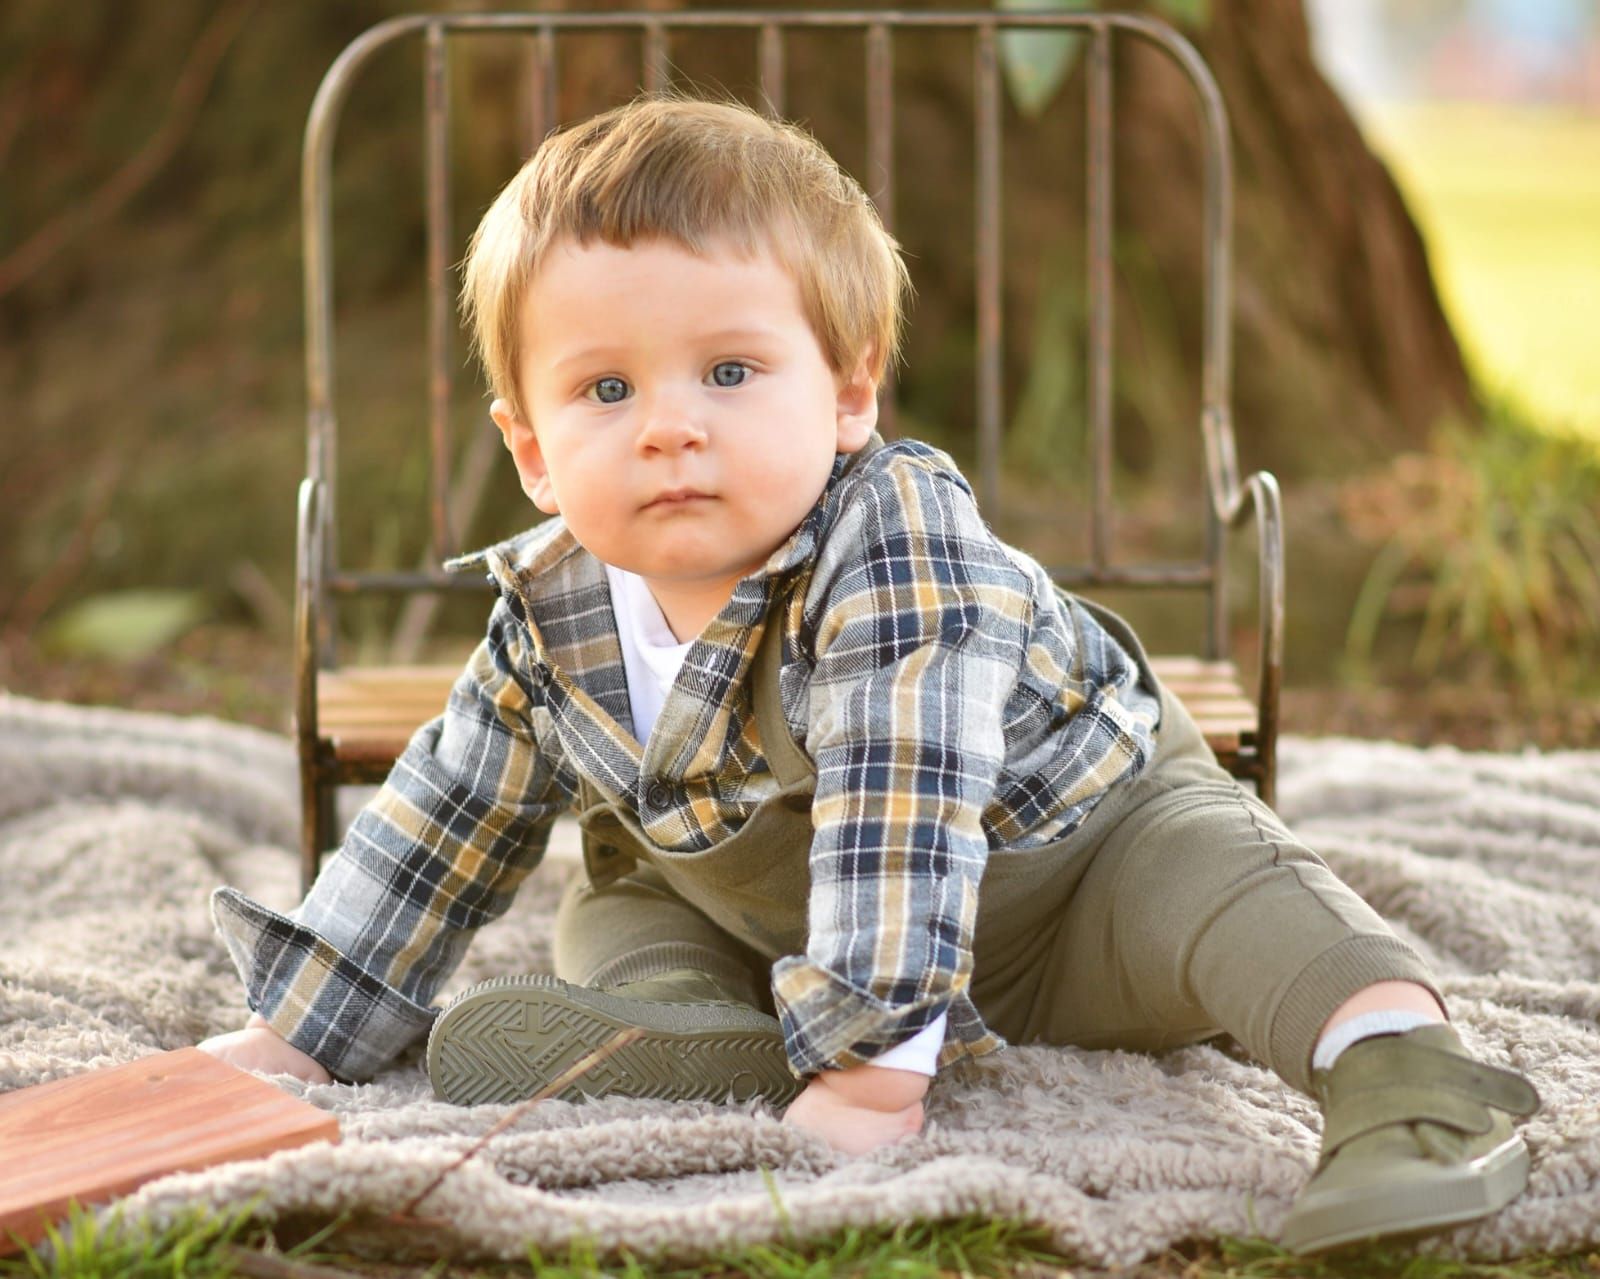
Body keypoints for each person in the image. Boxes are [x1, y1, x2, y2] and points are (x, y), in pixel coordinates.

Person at [199, 94, 1538, 1254]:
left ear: (848, 395)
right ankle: (674, 1022)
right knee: (620, 892)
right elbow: (441, 821)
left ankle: (1401, 1075)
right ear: (532, 448)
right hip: (777, 920)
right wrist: (301, 1032)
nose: (670, 426)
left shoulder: (893, 538)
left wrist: (871, 1077)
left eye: (730, 370)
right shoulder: (551, 615)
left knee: (1230, 888)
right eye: (605, 391)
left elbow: (909, 785)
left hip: (1070, 871)